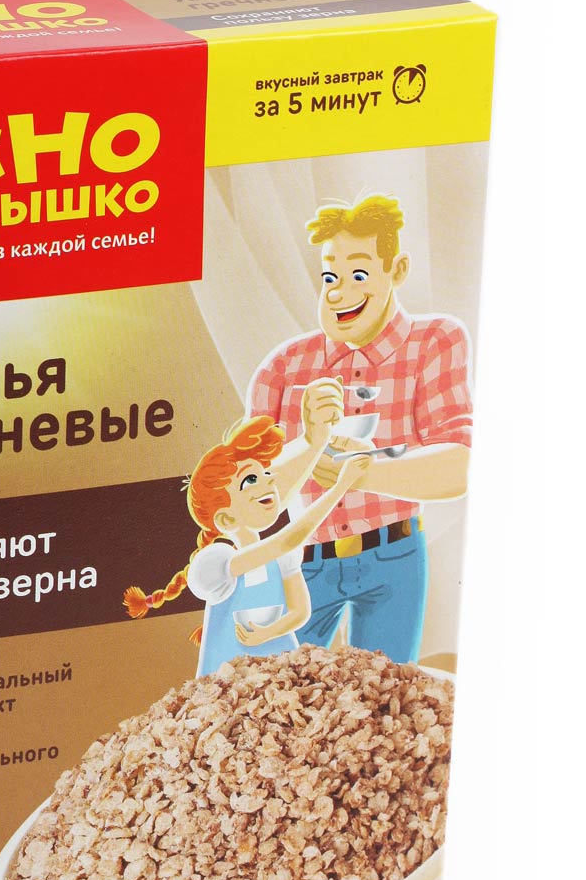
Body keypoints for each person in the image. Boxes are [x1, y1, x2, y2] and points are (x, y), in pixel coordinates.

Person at [247, 194, 473, 664]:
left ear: (397, 269)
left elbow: (458, 466)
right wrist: (309, 443)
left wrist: (363, 471)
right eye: (330, 277)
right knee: (275, 685)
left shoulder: (434, 341)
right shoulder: (285, 367)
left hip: (395, 555)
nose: (338, 292)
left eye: (358, 275)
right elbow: (253, 505)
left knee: (385, 691)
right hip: (304, 562)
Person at [123, 414, 369, 676]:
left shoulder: (282, 558)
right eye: (250, 480)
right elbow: (288, 540)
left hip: (281, 675)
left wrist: (268, 633)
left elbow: (300, 611)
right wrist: (341, 486)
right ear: (226, 518)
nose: (269, 480)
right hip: (228, 684)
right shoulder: (216, 562)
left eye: (265, 473)